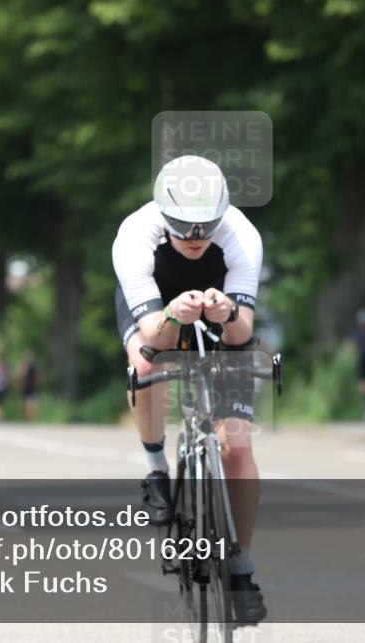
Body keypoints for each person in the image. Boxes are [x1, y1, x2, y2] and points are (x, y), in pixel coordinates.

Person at [112, 154, 266, 623]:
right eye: (183, 227)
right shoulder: (135, 237)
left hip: (222, 311)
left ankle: (240, 567)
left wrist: (228, 314)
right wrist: (177, 313)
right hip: (158, 309)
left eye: (206, 226)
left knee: (236, 445)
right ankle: (156, 467)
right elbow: (156, 336)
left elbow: (242, 335)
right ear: (163, 212)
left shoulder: (242, 235)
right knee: (145, 363)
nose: (197, 238)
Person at [18, 350, 39, 422]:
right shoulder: (24, 366)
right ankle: (27, 419)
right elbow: (21, 376)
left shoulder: (34, 367)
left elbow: (37, 377)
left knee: (33, 404)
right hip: (26, 388)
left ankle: (31, 419)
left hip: (33, 388)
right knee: (26, 404)